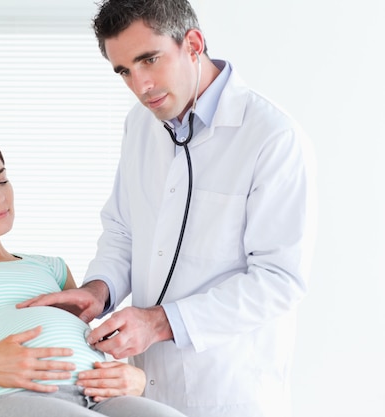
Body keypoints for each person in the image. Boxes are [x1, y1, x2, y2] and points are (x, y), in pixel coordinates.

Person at [17, 1, 317, 417]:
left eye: (149, 60)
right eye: (123, 71)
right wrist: (98, 291)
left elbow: (279, 279)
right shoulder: (141, 125)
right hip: (144, 393)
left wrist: (160, 322)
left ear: (193, 44)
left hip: (230, 390)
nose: (140, 85)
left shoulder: (272, 137)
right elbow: (123, 229)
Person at [0, 131, 187, 417]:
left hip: (101, 396)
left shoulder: (50, 267)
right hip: (10, 398)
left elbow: (92, 341)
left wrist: (133, 377)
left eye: (1, 181)